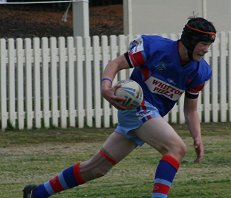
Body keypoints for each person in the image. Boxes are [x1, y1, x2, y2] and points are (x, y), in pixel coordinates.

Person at [23, 17, 216, 198]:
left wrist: (197, 137)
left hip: (148, 115)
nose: (206, 50)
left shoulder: (201, 71)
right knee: (176, 148)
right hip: (137, 107)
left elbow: (190, 109)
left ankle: (38, 193)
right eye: (204, 44)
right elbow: (116, 63)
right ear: (190, 41)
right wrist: (106, 87)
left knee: (96, 168)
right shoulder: (155, 47)